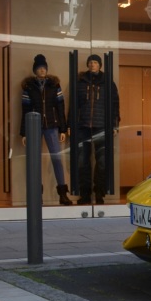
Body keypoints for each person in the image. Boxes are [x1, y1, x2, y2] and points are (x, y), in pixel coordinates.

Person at [20, 53, 71, 205]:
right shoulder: (28, 87)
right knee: (35, 161)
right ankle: (37, 195)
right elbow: (25, 110)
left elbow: (60, 107)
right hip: (34, 127)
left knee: (56, 158)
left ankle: (63, 194)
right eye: (39, 68)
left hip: (52, 126)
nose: (42, 71)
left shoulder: (54, 85)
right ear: (35, 70)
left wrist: (63, 129)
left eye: (44, 68)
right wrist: (24, 132)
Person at [73, 53, 119, 206]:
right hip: (83, 126)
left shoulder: (108, 83)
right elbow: (74, 106)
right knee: (82, 162)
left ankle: (99, 194)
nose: (92, 64)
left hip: (102, 127)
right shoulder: (80, 82)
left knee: (103, 162)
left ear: (100, 65)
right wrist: (69, 125)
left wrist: (114, 125)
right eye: (90, 62)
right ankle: (85, 195)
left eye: (95, 62)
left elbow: (114, 105)